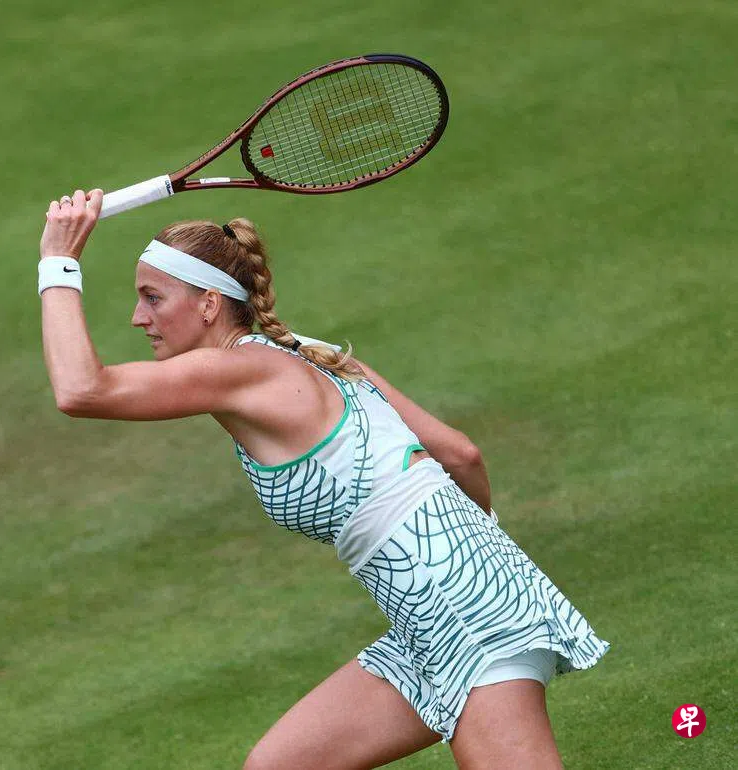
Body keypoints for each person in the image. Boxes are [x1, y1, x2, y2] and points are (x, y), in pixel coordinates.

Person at [37, 188, 609, 769]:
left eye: (153, 298)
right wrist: (481, 560)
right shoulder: (308, 351)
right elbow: (460, 455)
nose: (138, 317)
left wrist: (58, 260)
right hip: (446, 601)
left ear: (208, 304)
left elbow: (82, 390)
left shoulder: (239, 370)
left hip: (462, 608)